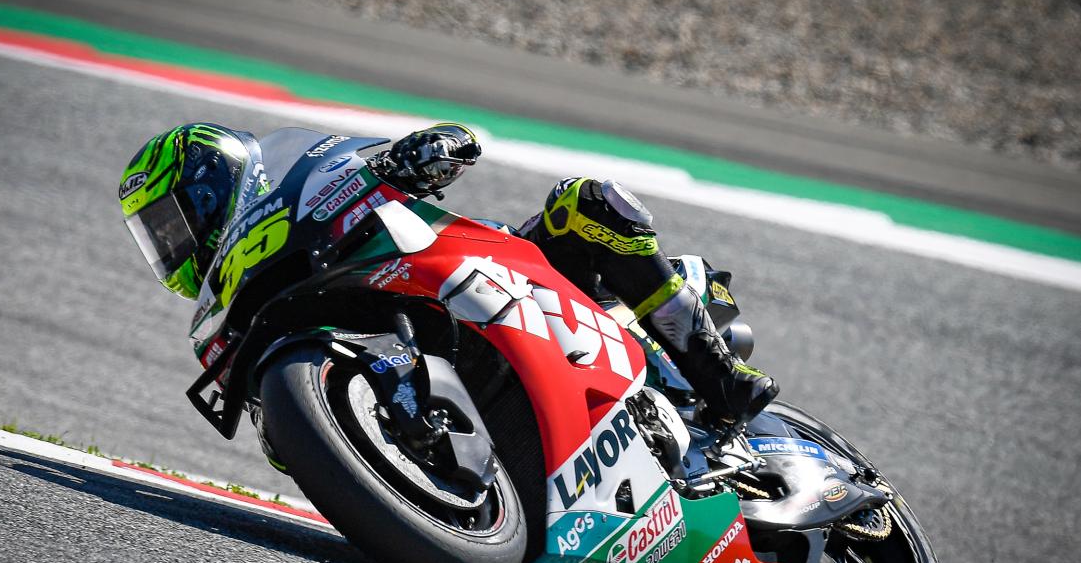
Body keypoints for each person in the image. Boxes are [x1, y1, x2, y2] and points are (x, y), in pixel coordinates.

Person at [118, 121, 777, 427]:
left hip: (512, 276)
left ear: (211, 185)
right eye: (156, 240)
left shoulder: (309, 202)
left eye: (169, 225)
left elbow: (426, 154)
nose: (170, 249)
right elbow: (288, 446)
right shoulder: (238, 314)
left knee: (585, 202)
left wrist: (421, 153)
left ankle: (718, 375)